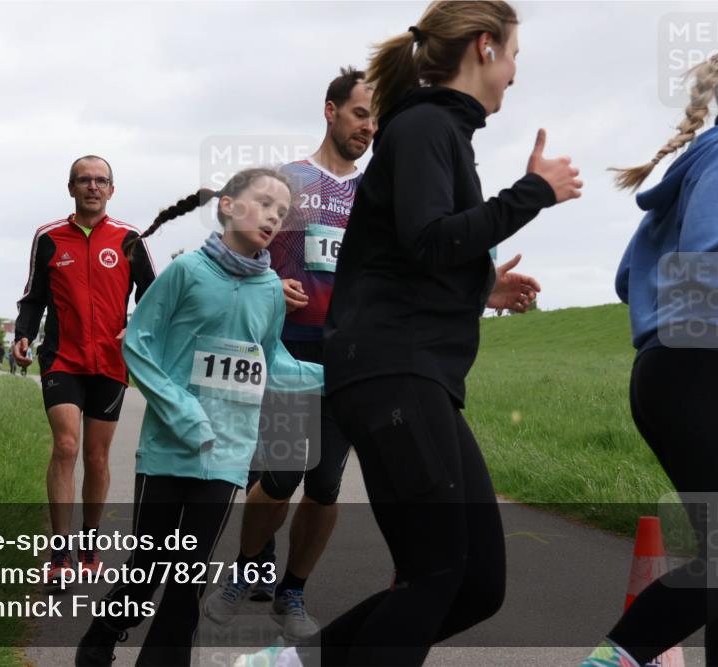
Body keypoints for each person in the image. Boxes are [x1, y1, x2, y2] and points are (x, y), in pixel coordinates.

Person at [236, 2, 582, 665]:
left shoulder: (439, 132)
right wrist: (532, 192)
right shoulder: (425, 126)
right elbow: (428, 239)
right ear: (484, 47)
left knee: (477, 583)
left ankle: (286, 662)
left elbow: (408, 251)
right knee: (437, 573)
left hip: (413, 372)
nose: (514, 73)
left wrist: (484, 287)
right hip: (395, 371)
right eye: (512, 56)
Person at [75, 168, 323, 667]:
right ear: (228, 206)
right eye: (264, 203)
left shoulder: (272, 289)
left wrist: (335, 376)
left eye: (282, 210)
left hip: (227, 454)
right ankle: (102, 635)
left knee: (188, 575)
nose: (274, 215)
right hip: (169, 447)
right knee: (145, 570)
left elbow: (271, 362)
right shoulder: (186, 271)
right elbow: (137, 345)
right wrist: (183, 412)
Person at [205, 66, 375, 640]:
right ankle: (243, 572)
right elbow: (243, 249)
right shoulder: (288, 182)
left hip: (349, 355)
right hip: (289, 348)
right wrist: (270, 284)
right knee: (280, 475)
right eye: (359, 113)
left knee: (326, 485)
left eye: (376, 118)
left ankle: (292, 592)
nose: (368, 127)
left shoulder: (376, 194)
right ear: (330, 110)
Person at [580, 47, 718, 667]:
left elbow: (626, 276)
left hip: (672, 370)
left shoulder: (696, 162)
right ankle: (616, 659)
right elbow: (709, 255)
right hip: (702, 369)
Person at [14, 155, 156, 583]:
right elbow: (33, 296)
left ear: (112, 189)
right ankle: (58, 555)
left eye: (101, 180)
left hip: (111, 363)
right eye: (84, 180)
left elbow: (153, 296)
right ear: (71, 188)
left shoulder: (130, 238)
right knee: (67, 446)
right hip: (62, 357)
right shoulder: (49, 237)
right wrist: (23, 333)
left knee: (96, 456)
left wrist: (135, 332)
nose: (93, 186)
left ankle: (89, 543)